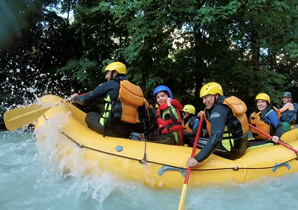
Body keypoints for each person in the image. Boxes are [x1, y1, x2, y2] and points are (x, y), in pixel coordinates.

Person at [70, 61, 145, 138]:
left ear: (115, 73)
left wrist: (75, 98)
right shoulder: (134, 89)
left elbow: (84, 99)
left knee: (90, 115)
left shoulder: (111, 84)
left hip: (108, 129)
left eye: (107, 73)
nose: (106, 76)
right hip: (126, 133)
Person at [187, 82, 249, 168]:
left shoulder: (219, 110)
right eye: (202, 98)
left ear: (216, 95)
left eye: (206, 97)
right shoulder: (226, 105)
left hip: (230, 151)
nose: (204, 101)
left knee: (193, 141)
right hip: (240, 147)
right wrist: (204, 114)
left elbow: (216, 137)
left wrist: (197, 159)